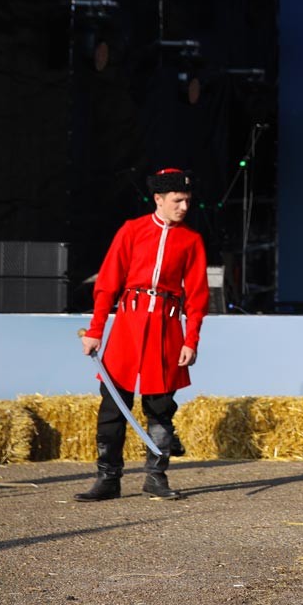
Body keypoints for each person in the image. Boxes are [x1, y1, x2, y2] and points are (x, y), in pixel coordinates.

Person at [76, 168, 209, 502]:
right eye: (178, 200)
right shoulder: (132, 231)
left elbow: (197, 296)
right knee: (113, 405)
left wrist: (191, 339)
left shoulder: (191, 240)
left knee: (161, 407)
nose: (184, 207)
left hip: (166, 329)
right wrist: (95, 331)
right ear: (159, 199)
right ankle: (108, 478)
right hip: (128, 327)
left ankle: (155, 476)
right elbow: (107, 283)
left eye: (188, 201)